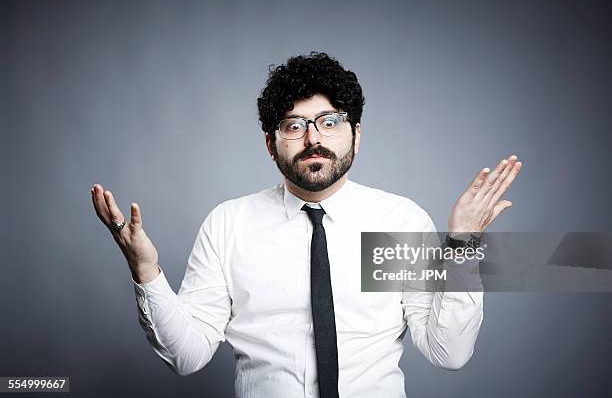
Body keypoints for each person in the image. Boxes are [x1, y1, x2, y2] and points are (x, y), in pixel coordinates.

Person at [91, 52, 522, 398]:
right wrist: (146, 272)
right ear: (270, 143)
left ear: (356, 134)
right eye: (293, 125)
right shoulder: (229, 224)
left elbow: (449, 351)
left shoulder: (399, 221)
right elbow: (187, 355)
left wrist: (463, 245)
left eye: (329, 122)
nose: (313, 138)